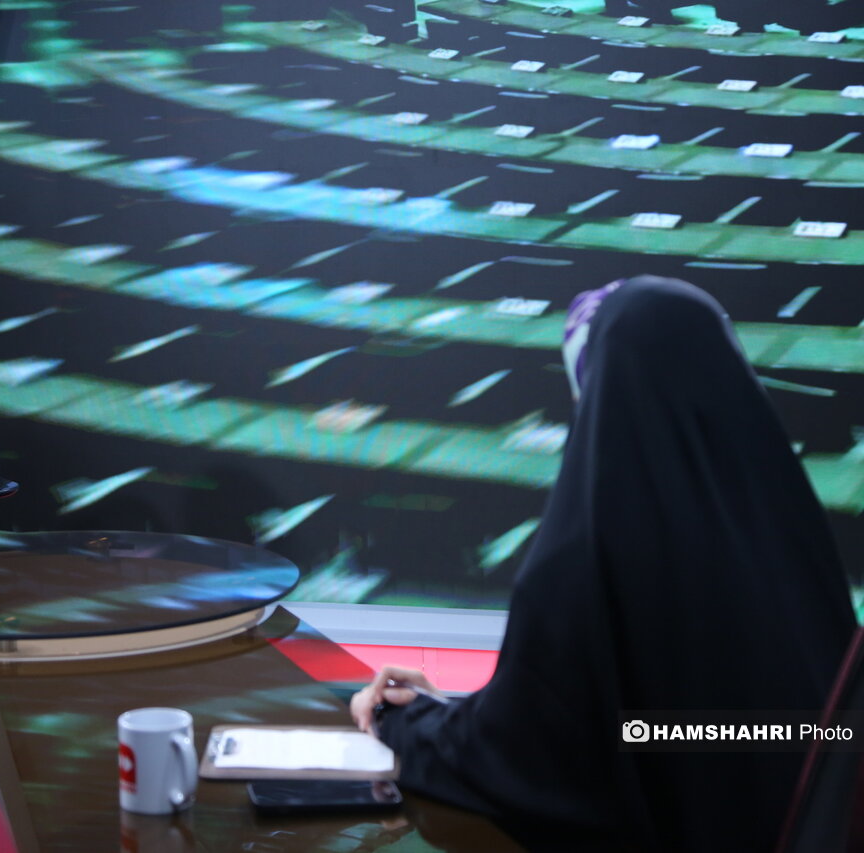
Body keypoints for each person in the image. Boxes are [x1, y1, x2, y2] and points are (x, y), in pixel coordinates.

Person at [351, 276, 856, 851]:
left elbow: (538, 761)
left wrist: (403, 724)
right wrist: (456, 709)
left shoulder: (582, 562)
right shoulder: (794, 537)